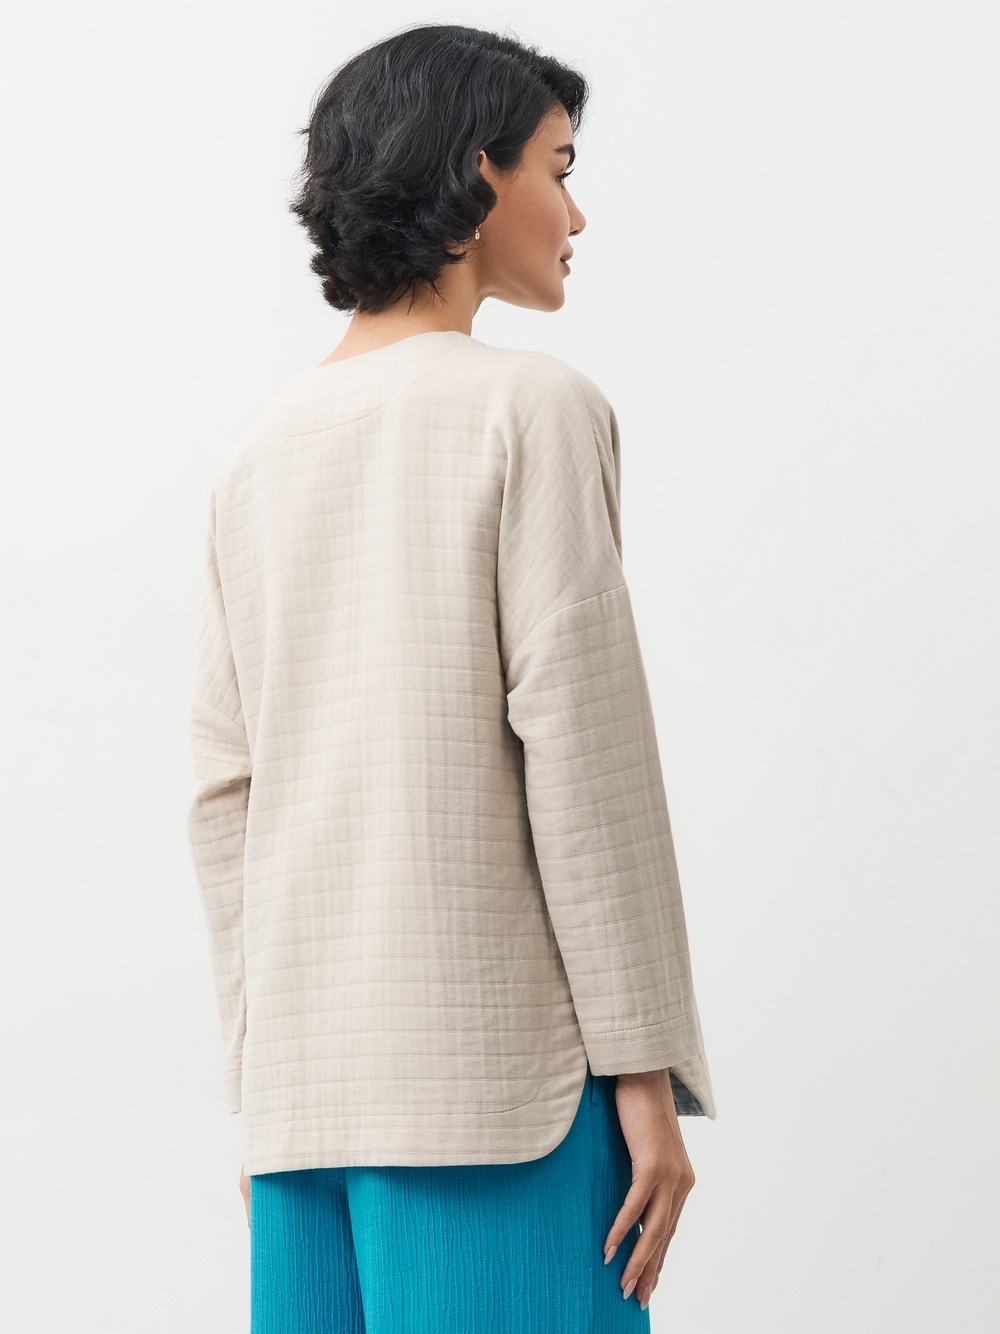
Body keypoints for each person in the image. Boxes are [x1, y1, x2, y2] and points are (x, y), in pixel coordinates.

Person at [185, 22, 717, 1333]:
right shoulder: (530, 407)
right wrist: (644, 1073)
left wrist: (263, 1098)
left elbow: (223, 799)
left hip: (306, 1115)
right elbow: (585, 757)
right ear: (479, 175)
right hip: (502, 1101)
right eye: (559, 166)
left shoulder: (257, 456)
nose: (576, 211)